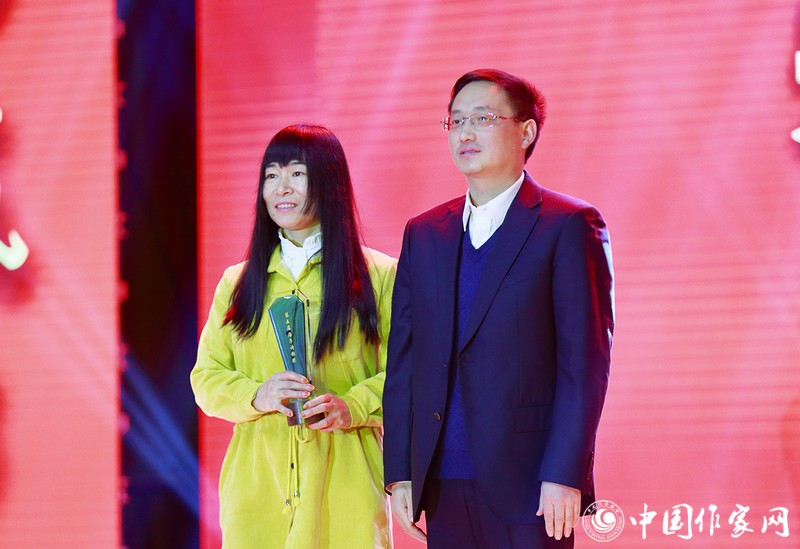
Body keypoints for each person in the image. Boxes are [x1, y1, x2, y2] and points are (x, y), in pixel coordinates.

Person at [383, 69, 614, 548]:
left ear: (525, 132)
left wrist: (565, 473)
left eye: (483, 118)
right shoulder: (423, 233)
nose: (465, 133)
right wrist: (401, 471)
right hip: (441, 481)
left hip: (531, 484)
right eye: (456, 121)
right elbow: (404, 361)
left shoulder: (568, 224)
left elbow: (584, 365)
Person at [191, 124, 396, 548]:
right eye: (271, 175)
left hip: (347, 489)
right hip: (256, 494)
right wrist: (257, 395)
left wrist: (353, 406)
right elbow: (205, 378)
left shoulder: (379, 276)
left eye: (297, 173)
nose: (281, 188)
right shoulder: (238, 283)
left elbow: (408, 376)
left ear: (330, 182)